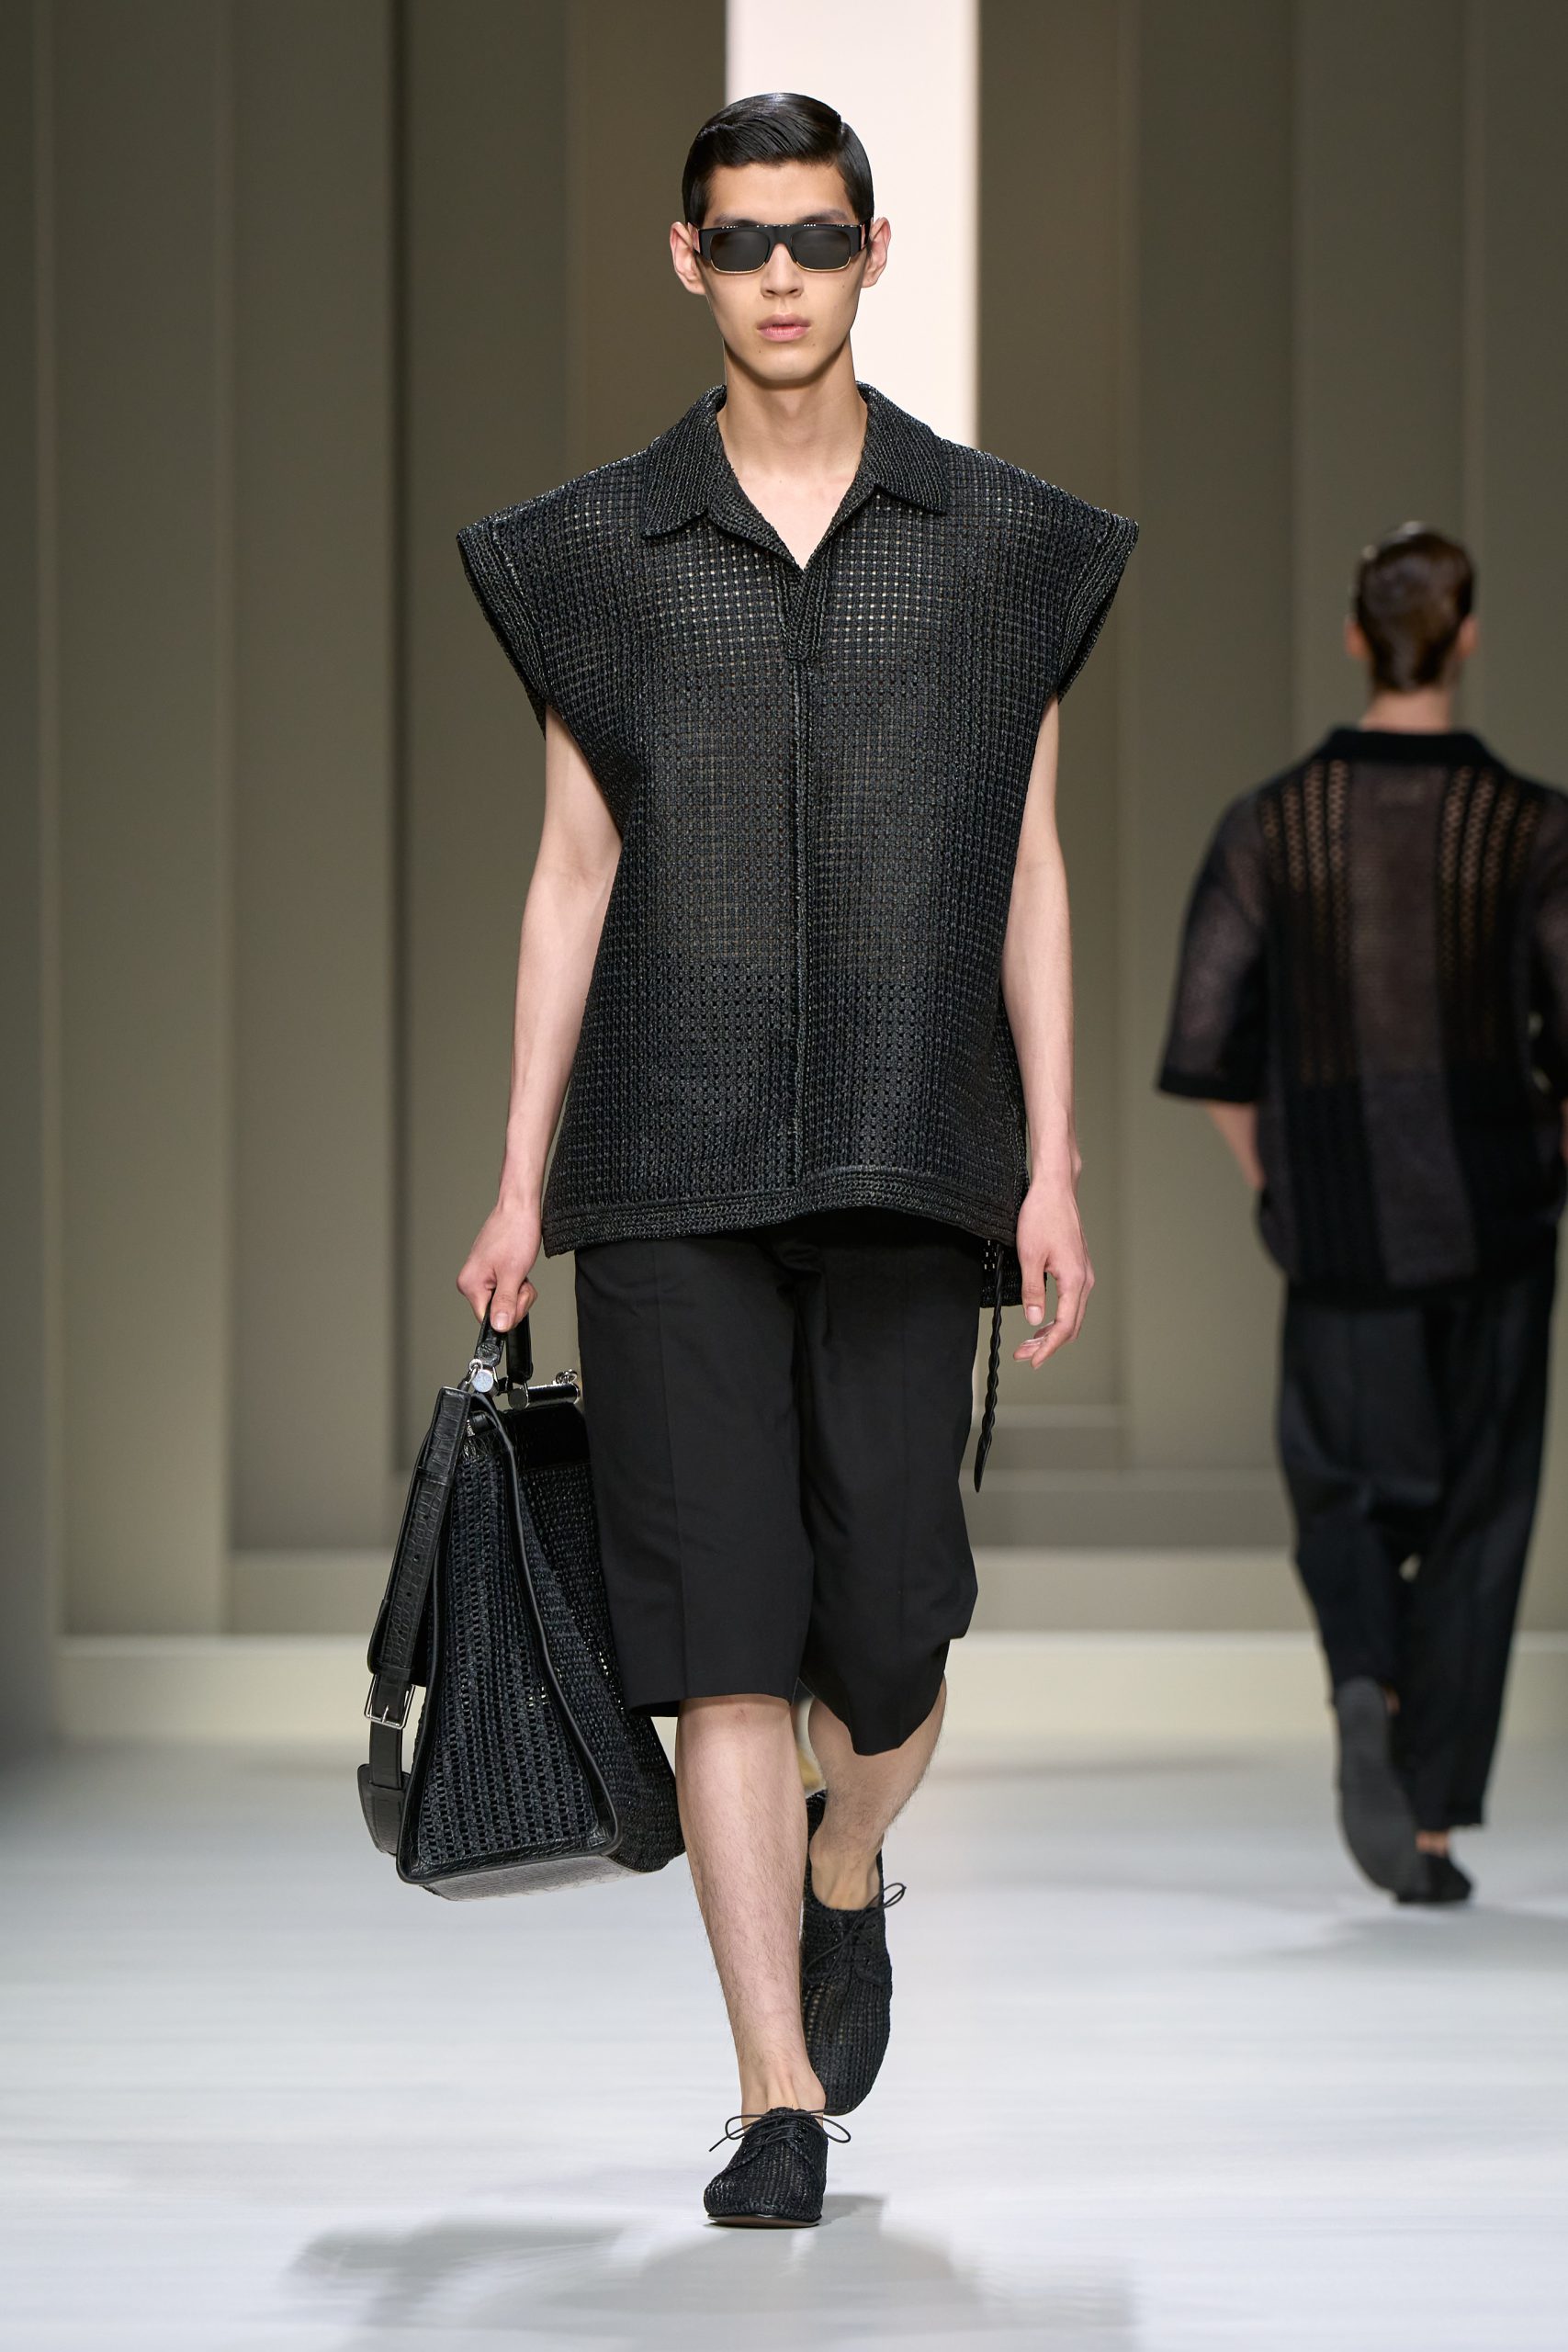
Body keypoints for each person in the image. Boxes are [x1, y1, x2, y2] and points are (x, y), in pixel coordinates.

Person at [455, 91, 1136, 2223]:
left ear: (870, 252)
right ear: (686, 259)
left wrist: (1053, 1159)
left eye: (813, 239)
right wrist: (516, 1178)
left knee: (894, 1626)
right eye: (740, 239)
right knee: (719, 1636)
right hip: (665, 1156)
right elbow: (571, 873)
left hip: (915, 1148)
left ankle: (849, 1856)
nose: (776, 275)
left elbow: (1027, 865)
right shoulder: (595, 553)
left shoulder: (1001, 543)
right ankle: (773, 2093)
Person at [1157, 524, 1568, 1907]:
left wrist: (1280, 1175)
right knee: (1481, 1513)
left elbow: (1207, 1040)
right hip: (1497, 1216)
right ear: (1467, 638)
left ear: (1355, 638)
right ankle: (1432, 1825)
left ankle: (1361, 1675)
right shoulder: (1535, 828)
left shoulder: (1272, 825)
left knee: (1339, 1486)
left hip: (1338, 1217)